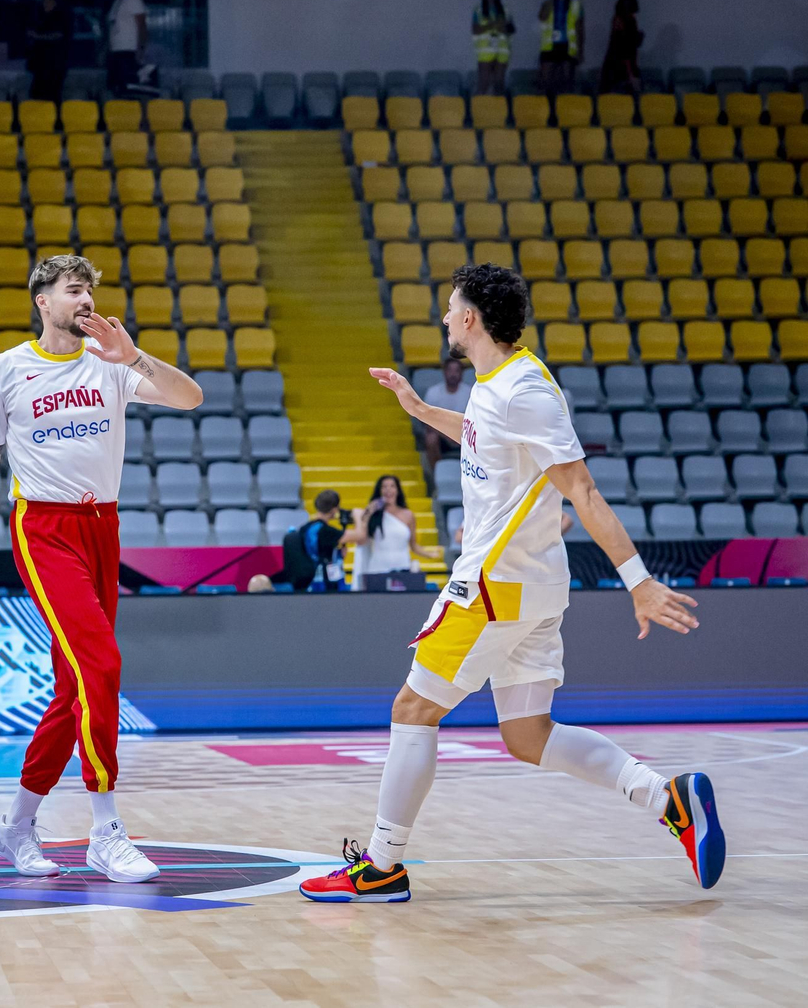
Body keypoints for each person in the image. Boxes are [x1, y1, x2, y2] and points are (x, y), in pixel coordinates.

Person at [300, 262, 723, 904]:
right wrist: (418, 409)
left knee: (412, 710)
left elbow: (580, 488)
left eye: (450, 308)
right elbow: (484, 437)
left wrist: (637, 580)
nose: (444, 318)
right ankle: (666, 798)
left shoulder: (522, 388)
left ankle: (382, 866)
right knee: (528, 736)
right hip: (534, 587)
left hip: (496, 584)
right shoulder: (500, 379)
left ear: (470, 319)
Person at [0, 254, 204, 883]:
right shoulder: (5, 370)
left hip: (103, 527)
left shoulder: (110, 363)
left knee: (75, 691)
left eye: (90, 289)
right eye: (74, 290)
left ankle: (15, 826)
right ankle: (105, 829)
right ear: (43, 300)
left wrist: (136, 358)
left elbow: (190, 397)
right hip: (42, 528)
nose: (86, 300)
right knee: (101, 663)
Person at [278, 490, 368, 592]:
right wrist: (358, 516)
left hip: (310, 580)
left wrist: (338, 553)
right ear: (334, 509)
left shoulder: (305, 528)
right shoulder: (326, 531)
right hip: (324, 583)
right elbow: (361, 536)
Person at [355, 475, 443, 579]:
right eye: (384, 486)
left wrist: (430, 554)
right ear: (380, 490)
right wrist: (369, 512)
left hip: (402, 567)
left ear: (397, 490)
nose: (388, 490)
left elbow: (413, 545)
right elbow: (362, 538)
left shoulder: (408, 515)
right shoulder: (374, 515)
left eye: (392, 486)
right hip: (377, 568)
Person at [421, 357, 471, 470]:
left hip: (464, 435)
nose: (453, 374)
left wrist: (458, 434)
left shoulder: (470, 392)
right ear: (444, 372)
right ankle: (438, 473)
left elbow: (474, 420)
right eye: (450, 370)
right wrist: (448, 435)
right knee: (430, 439)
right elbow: (428, 422)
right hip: (442, 436)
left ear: (461, 373)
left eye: (457, 371)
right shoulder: (433, 392)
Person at [537, 0, 583, 95]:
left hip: (567, 46)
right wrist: (551, 1)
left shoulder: (575, 4)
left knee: (566, 80)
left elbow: (579, 28)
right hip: (549, 46)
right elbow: (542, 17)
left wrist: (580, 50)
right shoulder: (547, 3)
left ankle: (564, 109)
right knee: (546, 80)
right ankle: (546, 108)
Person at [106, 0, 147, 97]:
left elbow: (142, 25)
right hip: (116, 51)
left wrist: (141, 48)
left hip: (129, 51)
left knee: (128, 89)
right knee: (115, 88)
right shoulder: (116, 2)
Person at [471, 0, 516, 95]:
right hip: (485, 50)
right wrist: (492, 25)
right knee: (484, 83)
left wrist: (503, 27)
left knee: (499, 83)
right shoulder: (478, 9)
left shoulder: (505, 9)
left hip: (502, 49)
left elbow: (511, 29)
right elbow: (475, 30)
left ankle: (499, 111)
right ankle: (479, 109)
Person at [26, 0, 71, 103]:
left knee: (51, 95)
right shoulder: (41, 17)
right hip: (42, 65)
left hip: (54, 65)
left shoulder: (60, 15)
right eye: (44, 1)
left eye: (48, 1)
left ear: (54, 2)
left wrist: (37, 36)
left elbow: (58, 35)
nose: (45, 4)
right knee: (37, 95)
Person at [599, 0, 644, 94]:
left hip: (616, 63)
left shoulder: (619, 19)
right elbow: (624, 48)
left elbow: (623, 44)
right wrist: (631, 73)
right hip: (621, 65)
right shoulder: (626, 20)